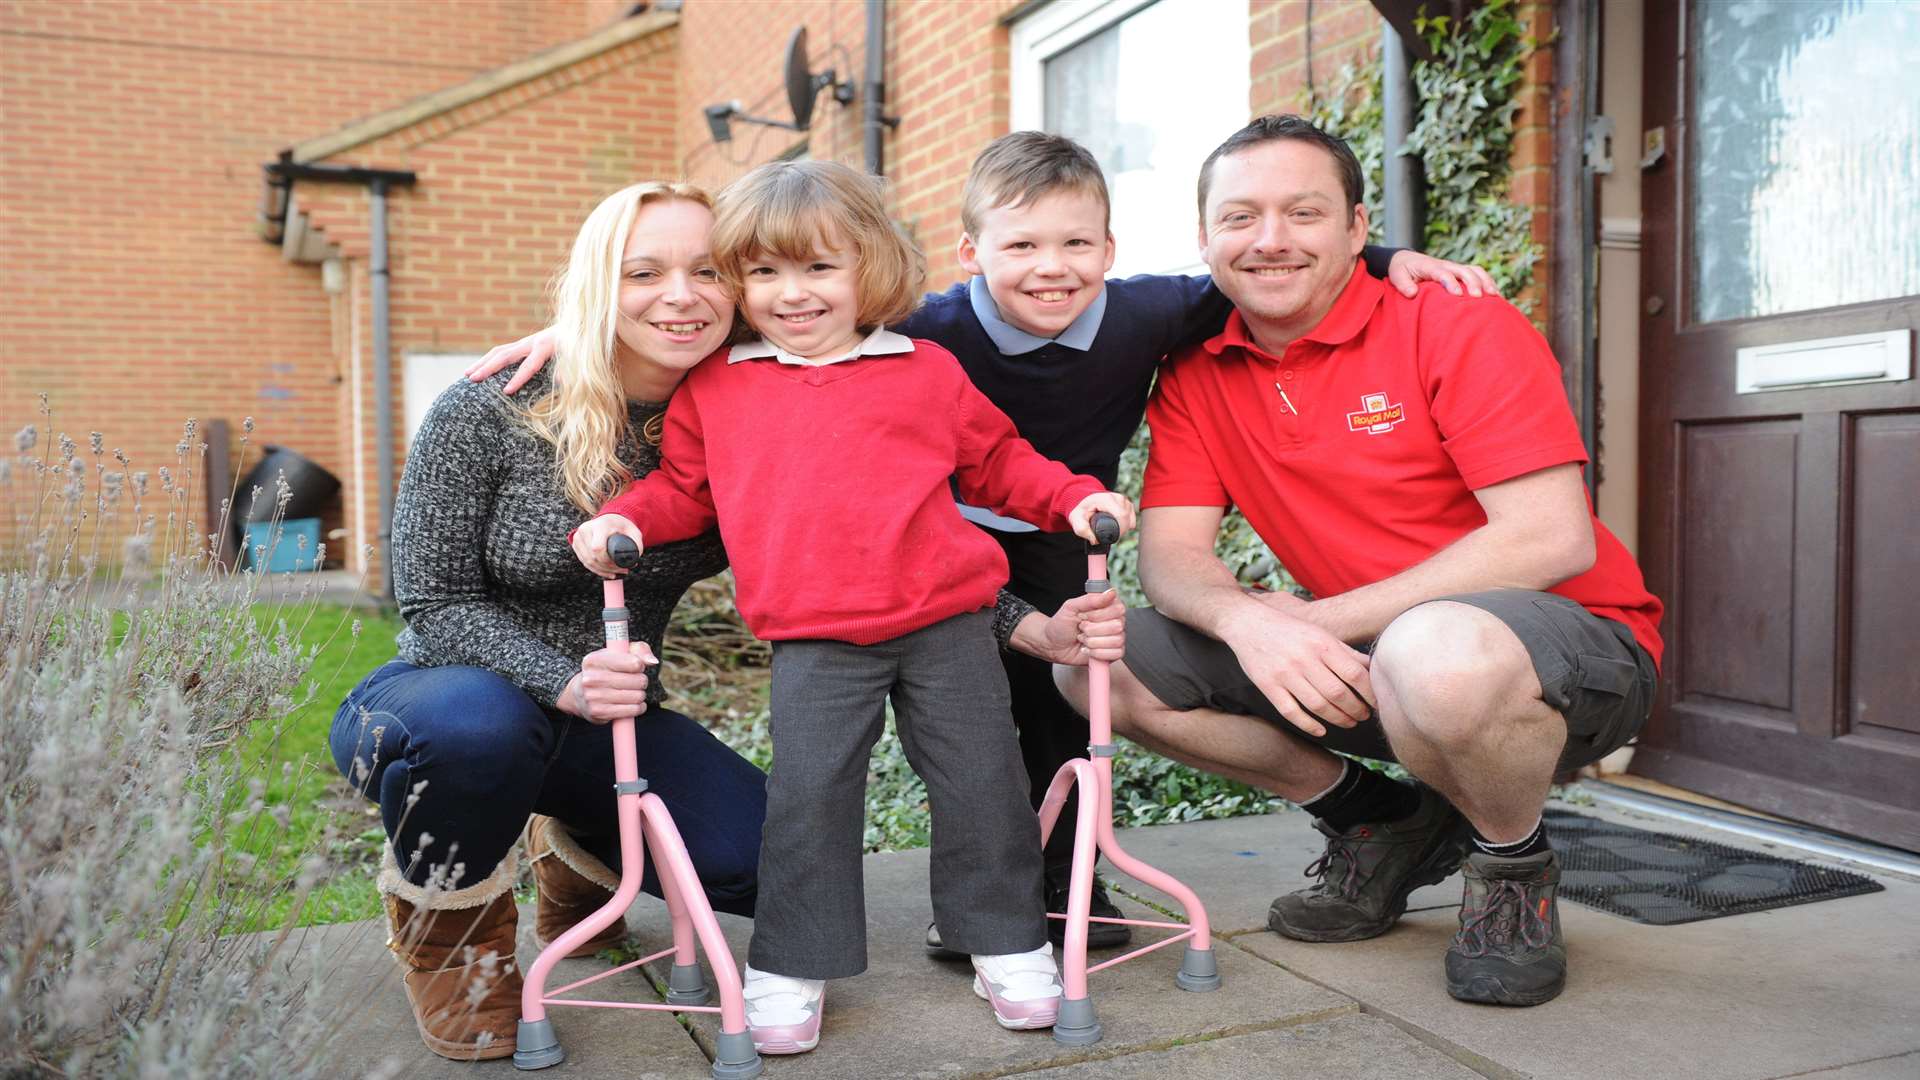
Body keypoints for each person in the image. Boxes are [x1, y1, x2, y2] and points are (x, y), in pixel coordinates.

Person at [470, 131, 1497, 957]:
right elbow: (786, 317)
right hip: (920, 543)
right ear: (972, 257)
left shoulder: (1148, 307)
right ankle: (958, 913)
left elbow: (1257, 263)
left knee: (1046, 720)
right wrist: (586, 328)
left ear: (1109, 249)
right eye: (1020, 248)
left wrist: (1383, 257)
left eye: (1076, 246)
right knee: (964, 730)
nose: (1050, 269)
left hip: (1055, 527)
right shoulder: (925, 331)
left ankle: (1051, 904)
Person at [330, 180, 1121, 1062]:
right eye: (642, 273)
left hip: (632, 710)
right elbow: (438, 602)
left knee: (813, 836)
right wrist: (579, 639)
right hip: (455, 696)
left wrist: (1034, 610)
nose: (681, 294)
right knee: (488, 732)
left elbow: (904, 518)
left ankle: (577, 855)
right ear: (600, 284)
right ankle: (457, 946)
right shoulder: (514, 405)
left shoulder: (804, 383)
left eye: (706, 271)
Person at [1054, 115, 1663, 1009]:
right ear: (1204, 239)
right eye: (1240, 217)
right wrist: (1250, 624)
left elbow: (1550, 536)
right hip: (1374, 661)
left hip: (1564, 658)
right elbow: (1176, 561)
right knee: (1096, 668)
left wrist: (1315, 622)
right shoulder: (1195, 367)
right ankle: (1378, 821)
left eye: (1303, 212)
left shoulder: (1452, 320)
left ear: (1356, 229)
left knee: (1435, 651)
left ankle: (1510, 867)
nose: (1270, 240)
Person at [570, 159, 1134, 1056]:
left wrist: (1071, 497)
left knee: (983, 784)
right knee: (808, 797)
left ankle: (1006, 941)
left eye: (819, 268)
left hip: (947, 625)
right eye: (764, 272)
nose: (793, 294)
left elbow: (999, 463)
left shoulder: (924, 370)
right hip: (814, 638)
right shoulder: (718, 386)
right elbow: (683, 489)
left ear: (868, 265)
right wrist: (620, 520)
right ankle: (792, 963)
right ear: (739, 281)